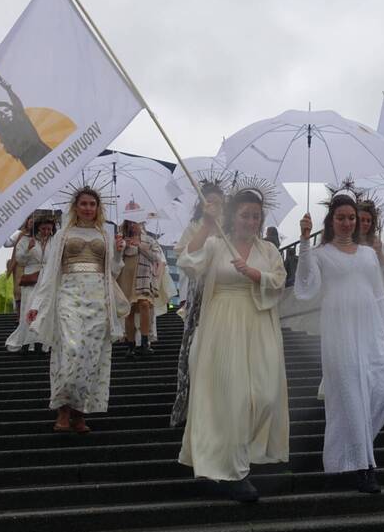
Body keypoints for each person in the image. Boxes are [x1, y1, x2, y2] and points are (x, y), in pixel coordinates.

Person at [177, 187, 289, 502]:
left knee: (264, 395)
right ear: (234, 216)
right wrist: (207, 224)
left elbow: (279, 281)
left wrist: (254, 273)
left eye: (256, 216)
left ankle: (232, 457)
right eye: (245, 214)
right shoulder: (215, 244)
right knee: (233, 398)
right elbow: (187, 260)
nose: (251, 220)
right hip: (222, 325)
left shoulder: (268, 250)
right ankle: (236, 472)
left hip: (259, 323)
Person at [295, 195, 384, 493]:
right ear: (331, 221)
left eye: (351, 218)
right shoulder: (320, 253)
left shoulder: (368, 255)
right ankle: (365, 468)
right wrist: (303, 242)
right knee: (351, 397)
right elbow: (305, 287)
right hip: (339, 331)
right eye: (340, 218)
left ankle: (348, 452)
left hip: (372, 330)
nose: (347, 223)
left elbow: (380, 294)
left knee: (382, 393)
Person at [25, 187, 128, 434]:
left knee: (91, 356)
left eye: (92, 204)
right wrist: (37, 305)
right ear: (75, 206)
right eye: (84, 203)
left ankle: (80, 412)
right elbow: (50, 273)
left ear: (98, 207)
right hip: (68, 295)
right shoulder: (63, 234)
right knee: (70, 350)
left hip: (98, 299)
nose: (88, 208)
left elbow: (112, 272)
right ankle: (63, 409)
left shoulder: (105, 235)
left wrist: (119, 252)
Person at [170, 182, 226, 428]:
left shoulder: (232, 227)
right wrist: (206, 227)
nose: (212, 205)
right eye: (208, 201)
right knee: (197, 345)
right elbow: (184, 256)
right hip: (201, 291)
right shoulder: (195, 227)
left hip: (225, 292)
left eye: (217, 201)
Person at [5, 215, 56, 354]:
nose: (46, 231)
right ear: (38, 227)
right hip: (32, 276)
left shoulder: (55, 241)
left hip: (48, 278)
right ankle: (28, 342)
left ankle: (42, 342)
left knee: (45, 308)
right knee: (29, 306)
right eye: (44, 228)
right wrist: (28, 249)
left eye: (49, 229)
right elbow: (20, 259)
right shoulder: (26, 239)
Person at [117, 219, 165, 359]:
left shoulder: (149, 240)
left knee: (144, 304)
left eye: (135, 222)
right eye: (130, 223)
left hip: (144, 276)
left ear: (141, 223)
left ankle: (145, 342)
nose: (133, 225)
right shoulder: (122, 239)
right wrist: (120, 246)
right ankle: (131, 345)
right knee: (129, 311)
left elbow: (156, 257)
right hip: (126, 276)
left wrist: (140, 247)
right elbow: (116, 258)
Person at [356, 199, 384, 280]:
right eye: (362, 220)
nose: (366, 223)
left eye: (368, 221)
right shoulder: (348, 242)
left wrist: (380, 254)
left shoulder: (376, 243)